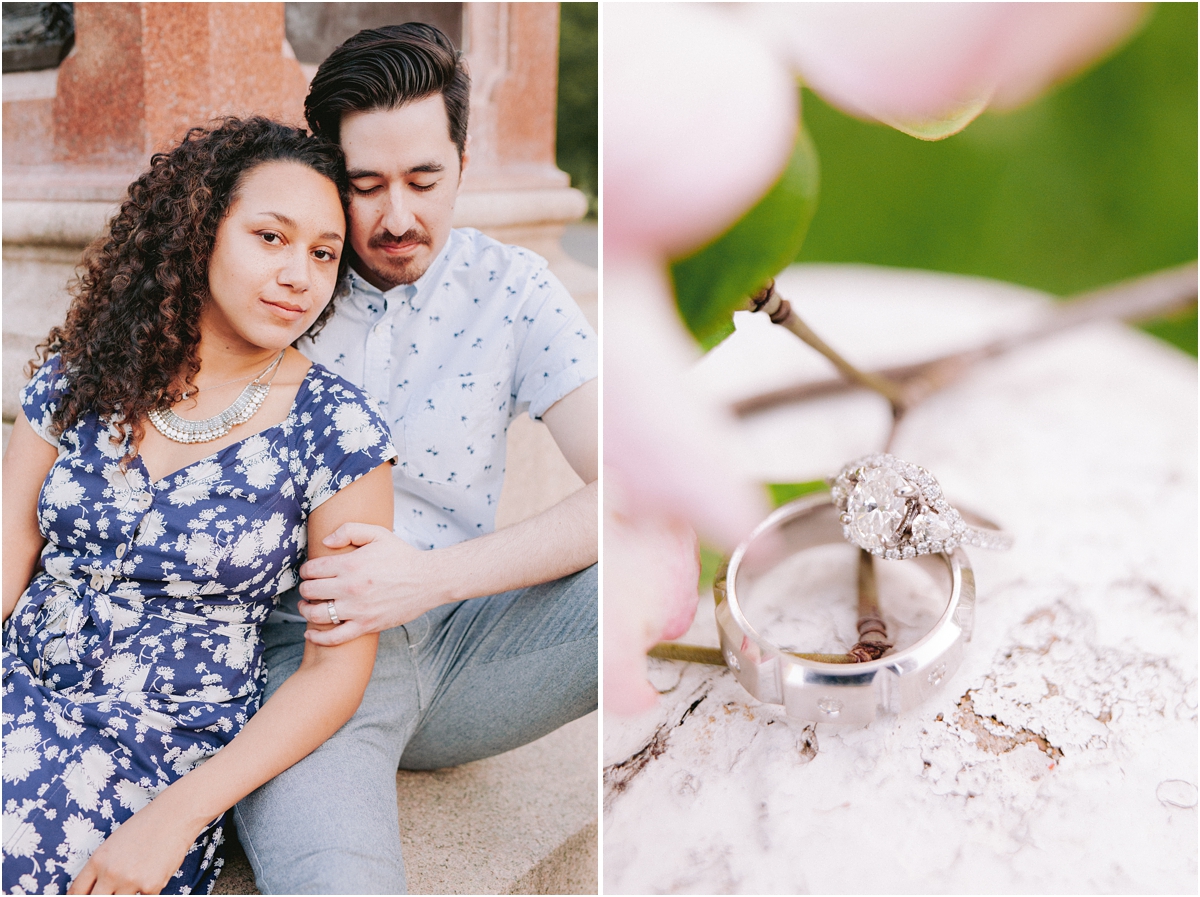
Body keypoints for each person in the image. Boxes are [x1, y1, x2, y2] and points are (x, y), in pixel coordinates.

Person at [231, 23, 598, 893]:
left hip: (469, 638)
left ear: (462, 161)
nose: (399, 217)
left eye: (425, 180)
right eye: (366, 187)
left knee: (658, 569)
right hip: (311, 653)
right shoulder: (280, 288)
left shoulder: (511, 288)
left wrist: (431, 580)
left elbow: (635, 490)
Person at [1, 117, 397, 895]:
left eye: (323, 254)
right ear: (200, 229)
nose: (298, 275)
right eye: (271, 237)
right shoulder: (82, 375)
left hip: (160, 745)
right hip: (19, 680)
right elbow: (10, 541)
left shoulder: (341, 433)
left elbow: (334, 670)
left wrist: (178, 816)